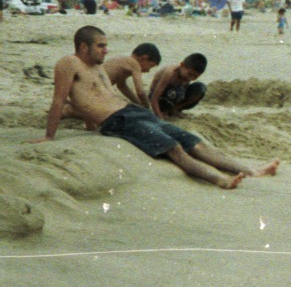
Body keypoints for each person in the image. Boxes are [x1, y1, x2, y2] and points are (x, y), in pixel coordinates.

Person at [31, 26, 278, 189]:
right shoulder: (68, 63)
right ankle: (221, 181)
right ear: (84, 47)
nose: (106, 50)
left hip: (132, 112)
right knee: (175, 148)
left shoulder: (97, 67)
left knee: (194, 141)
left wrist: (90, 125)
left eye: (106, 45)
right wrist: (49, 136)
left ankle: (253, 171)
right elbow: (59, 99)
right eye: (101, 46)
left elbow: (96, 96)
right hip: (119, 121)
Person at [149, 53, 209, 117]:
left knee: (200, 88)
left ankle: (173, 110)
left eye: (195, 77)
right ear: (182, 65)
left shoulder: (186, 76)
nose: (191, 78)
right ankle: (165, 111)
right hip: (159, 98)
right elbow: (154, 98)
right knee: (177, 92)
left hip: (174, 98)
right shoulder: (170, 73)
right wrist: (159, 115)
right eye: (189, 74)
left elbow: (185, 90)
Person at [104, 42, 161, 108]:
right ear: (144, 58)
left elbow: (121, 86)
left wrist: (138, 103)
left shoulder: (123, 60)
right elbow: (140, 92)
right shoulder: (134, 64)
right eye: (150, 66)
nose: (148, 71)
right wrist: (148, 107)